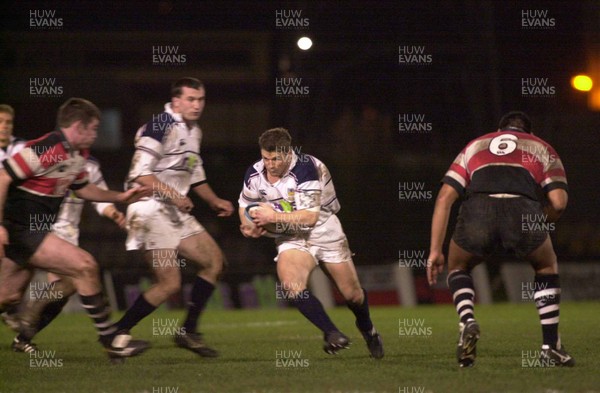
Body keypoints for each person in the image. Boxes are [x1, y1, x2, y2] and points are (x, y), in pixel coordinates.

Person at [0, 97, 150, 361]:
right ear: (79, 127)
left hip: (32, 232)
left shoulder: (77, 155)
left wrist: (120, 197)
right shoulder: (49, 147)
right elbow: (2, 177)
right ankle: (111, 342)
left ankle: (30, 331)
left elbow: (83, 189)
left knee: (8, 295)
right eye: (93, 128)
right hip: (20, 228)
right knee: (85, 265)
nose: (96, 134)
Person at [426, 111, 574, 367]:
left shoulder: (476, 145)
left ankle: (467, 319)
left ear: (499, 130)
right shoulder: (541, 147)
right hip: (522, 210)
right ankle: (550, 346)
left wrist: (435, 250)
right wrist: (538, 223)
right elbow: (558, 204)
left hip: (477, 211)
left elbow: (444, 199)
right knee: (546, 266)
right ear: (529, 133)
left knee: (459, 266)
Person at [238, 127, 383, 359]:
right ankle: (332, 333)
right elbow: (245, 204)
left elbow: (309, 217)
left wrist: (272, 217)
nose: (270, 164)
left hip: (323, 229)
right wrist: (247, 224)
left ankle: (368, 329)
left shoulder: (305, 168)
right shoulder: (254, 173)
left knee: (352, 295)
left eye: (276, 159)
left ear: (288, 153)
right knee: (291, 285)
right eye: (266, 158)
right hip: (291, 237)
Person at [118, 77, 234, 357]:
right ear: (176, 101)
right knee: (169, 284)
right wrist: (174, 194)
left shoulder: (194, 131)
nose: (197, 105)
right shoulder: (160, 125)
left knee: (214, 262)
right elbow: (140, 175)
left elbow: (194, 175)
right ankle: (117, 334)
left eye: (201, 99)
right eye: (191, 99)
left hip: (172, 210)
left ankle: (188, 331)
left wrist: (214, 199)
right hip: (148, 209)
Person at [10, 156, 127, 353]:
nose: (90, 136)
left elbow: (98, 199)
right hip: (40, 230)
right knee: (12, 292)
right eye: (88, 129)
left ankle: (23, 335)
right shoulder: (51, 157)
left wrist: (114, 213)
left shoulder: (91, 167)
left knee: (63, 290)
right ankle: (26, 318)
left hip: (67, 236)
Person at [0, 104, 26, 330]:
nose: (4, 127)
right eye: (0, 122)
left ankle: (10, 307)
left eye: (8, 122)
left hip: (14, 218)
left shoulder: (23, 147)